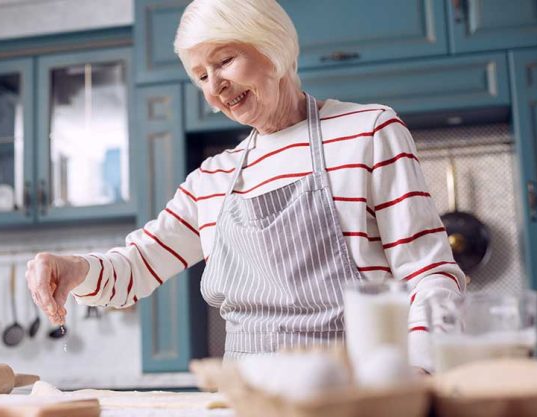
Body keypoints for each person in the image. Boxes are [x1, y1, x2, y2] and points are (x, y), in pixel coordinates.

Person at [26, 0, 466, 372]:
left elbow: (429, 274)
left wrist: (420, 373)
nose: (215, 86)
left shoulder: (368, 131)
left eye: (224, 60)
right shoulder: (213, 178)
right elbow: (137, 267)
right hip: (248, 398)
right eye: (200, 76)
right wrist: (75, 269)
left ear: (271, 47)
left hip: (356, 393)